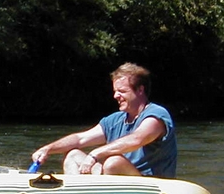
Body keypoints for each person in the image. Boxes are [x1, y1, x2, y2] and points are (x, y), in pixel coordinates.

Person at [31, 63, 177, 178]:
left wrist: (95, 154)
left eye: (122, 91)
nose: (116, 96)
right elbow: (80, 139)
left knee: (113, 162)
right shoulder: (115, 120)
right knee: (73, 155)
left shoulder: (156, 115)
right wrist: (48, 149)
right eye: (115, 91)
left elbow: (137, 139)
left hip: (151, 186)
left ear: (140, 90)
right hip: (118, 178)